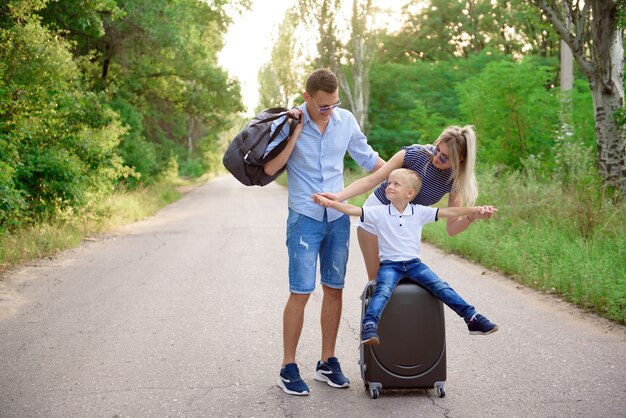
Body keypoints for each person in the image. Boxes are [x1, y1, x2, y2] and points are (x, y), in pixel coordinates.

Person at [263, 68, 385, 396]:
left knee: (334, 289)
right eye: (323, 106)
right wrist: (294, 132)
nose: (330, 111)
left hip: (337, 219)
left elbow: (370, 160)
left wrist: (410, 176)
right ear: (307, 98)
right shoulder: (290, 122)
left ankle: (326, 361)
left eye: (334, 104)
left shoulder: (345, 121)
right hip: (304, 218)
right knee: (301, 291)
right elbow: (271, 168)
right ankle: (288, 367)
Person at [313, 168, 499, 345]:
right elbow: (353, 210)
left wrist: (475, 211)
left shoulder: (419, 212)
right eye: (389, 183)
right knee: (383, 291)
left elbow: (449, 212)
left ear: (409, 193)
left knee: (441, 286)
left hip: (414, 265)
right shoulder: (379, 212)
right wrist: (330, 203)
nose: (389, 186)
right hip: (390, 266)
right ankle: (369, 326)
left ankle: (472, 318)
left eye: (396, 184)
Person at [317, 125, 495, 281]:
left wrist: (472, 216)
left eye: (444, 157)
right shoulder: (413, 155)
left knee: (404, 280)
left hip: (405, 227)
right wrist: (337, 197)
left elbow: (452, 228)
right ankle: (374, 319)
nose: (437, 157)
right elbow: (371, 181)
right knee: (379, 281)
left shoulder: (454, 180)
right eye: (436, 150)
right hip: (376, 216)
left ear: (460, 159)